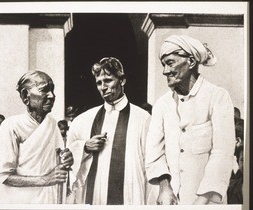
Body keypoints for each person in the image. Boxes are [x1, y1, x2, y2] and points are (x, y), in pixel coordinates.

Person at [145, 35, 235, 205]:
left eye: (170, 63)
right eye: (163, 65)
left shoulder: (218, 97)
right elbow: (154, 152)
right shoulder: (162, 105)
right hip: (168, 199)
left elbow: (222, 153)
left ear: (191, 62)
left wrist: (201, 201)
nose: (165, 71)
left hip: (207, 202)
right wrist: (165, 187)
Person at [67, 57, 152, 205]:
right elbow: (67, 157)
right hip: (95, 195)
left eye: (108, 80)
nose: (103, 87)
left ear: (122, 80)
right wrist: (85, 147)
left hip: (130, 193)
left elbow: (151, 161)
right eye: (99, 83)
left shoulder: (143, 118)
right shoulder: (83, 120)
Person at [0, 70, 73, 204]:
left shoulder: (52, 124)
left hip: (48, 199)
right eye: (44, 90)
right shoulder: (11, 125)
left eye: (52, 90)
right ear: (26, 96)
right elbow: (3, 176)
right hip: (19, 201)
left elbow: (59, 161)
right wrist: (45, 180)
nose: (52, 96)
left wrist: (67, 159)